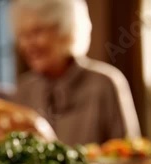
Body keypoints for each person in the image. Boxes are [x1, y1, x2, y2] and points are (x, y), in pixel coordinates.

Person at [10, 0, 141, 145]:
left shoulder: (105, 83)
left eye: (37, 32)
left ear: (66, 31)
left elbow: (128, 153)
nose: (27, 44)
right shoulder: (23, 90)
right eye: (23, 35)